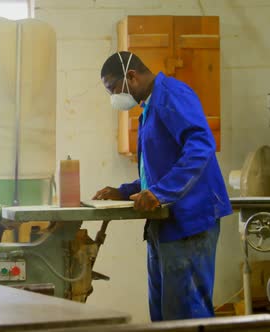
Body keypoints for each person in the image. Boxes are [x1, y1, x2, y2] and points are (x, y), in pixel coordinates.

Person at [93, 51, 232, 321]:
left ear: (131, 76)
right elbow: (159, 169)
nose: (113, 98)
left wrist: (159, 193)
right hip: (165, 224)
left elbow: (201, 146)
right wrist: (123, 190)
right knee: (164, 315)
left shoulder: (172, 95)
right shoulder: (150, 106)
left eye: (113, 89)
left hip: (189, 222)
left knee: (186, 314)